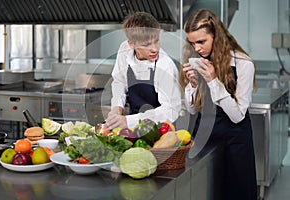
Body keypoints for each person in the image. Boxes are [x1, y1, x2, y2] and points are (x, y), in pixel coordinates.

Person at [180, 9, 257, 200]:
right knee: (204, 192)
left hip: (235, 142)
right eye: (192, 43)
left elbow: (237, 116)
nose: (197, 48)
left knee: (236, 193)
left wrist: (214, 81)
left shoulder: (243, 64)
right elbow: (191, 110)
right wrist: (192, 85)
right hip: (204, 139)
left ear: (216, 36)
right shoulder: (199, 60)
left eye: (201, 42)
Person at [105, 12, 181, 129]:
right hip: (133, 126)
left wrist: (128, 121)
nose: (155, 49)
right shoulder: (124, 50)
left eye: (156, 41)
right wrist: (117, 107)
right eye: (146, 45)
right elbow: (119, 81)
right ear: (131, 44)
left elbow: (170, 110)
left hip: (161, 129)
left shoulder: (165, 65)